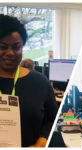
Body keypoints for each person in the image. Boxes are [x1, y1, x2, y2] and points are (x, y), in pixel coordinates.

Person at [0, 14, 58, 147]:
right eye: (3, 47)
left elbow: (51, 119)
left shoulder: (40, 82)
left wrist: (41, 143)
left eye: (16, 47)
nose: (10, 53)